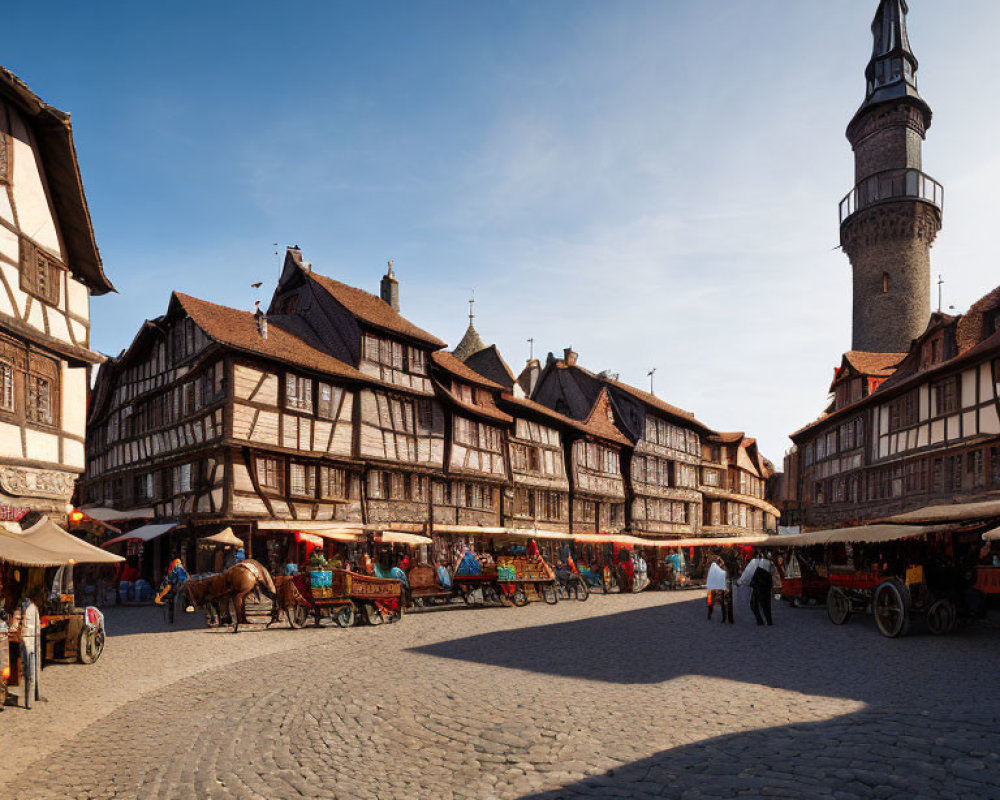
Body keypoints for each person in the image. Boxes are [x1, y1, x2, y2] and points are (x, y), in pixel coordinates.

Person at [739, 551, 775, 626]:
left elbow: (748, 574)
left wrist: (743, 582)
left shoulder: (756, 565)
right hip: (763, 587)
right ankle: (767, 621)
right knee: (764, 605)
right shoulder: (768, 564)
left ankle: (763, 621)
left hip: (759, 588)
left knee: (756, 605)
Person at [705, 557, 731, 623]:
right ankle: (711, 614)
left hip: (717, 588)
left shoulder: (721, 567)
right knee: (712, 602)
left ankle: (722, 617)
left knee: (719, 602)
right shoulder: (717, 567)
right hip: (716, 588)